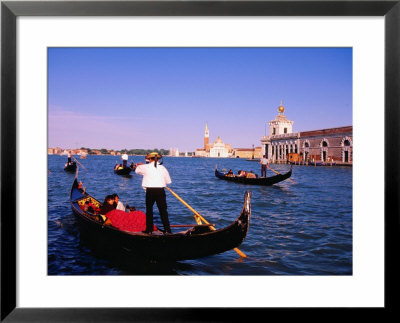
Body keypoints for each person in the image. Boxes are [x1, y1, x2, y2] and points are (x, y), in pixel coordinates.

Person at [135, 152, 172, 234]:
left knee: (149, 210)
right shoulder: (163, 168)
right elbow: (168, 181)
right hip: (160, 191)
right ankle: (168, 230)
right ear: (158, 159)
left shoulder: (145, 167)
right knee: (163, 211)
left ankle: (149, 230)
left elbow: (137, 170)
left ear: (149, 159)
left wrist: (140, 165)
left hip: (150, 191)